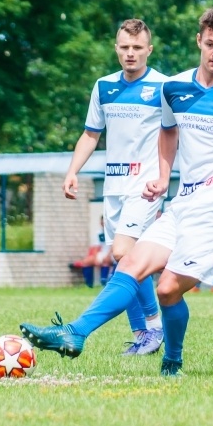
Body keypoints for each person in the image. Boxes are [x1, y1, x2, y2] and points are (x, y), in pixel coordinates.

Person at [20, 7, 213, 376]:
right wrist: (163, 176)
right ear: (199, 40)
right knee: (129, 263)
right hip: (183, 203)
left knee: (167, 289)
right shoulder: (173, 88)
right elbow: (168, 131)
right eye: (210, 43)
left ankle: (171, 359)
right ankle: (74, 333)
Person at [59, 19, 167, 356]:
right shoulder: (103, 87)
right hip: (114, 187)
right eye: (125, 47)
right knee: (122, 261)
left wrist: (165, 178)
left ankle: (154, 325)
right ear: (116, 48)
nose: (130, 53)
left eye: (137, 48)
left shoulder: (164, 87)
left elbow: (175, 135)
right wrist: (73, 170)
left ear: (149, 49)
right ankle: (142, 335)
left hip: (145, 187)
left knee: (124, 253)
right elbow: (91, 134)